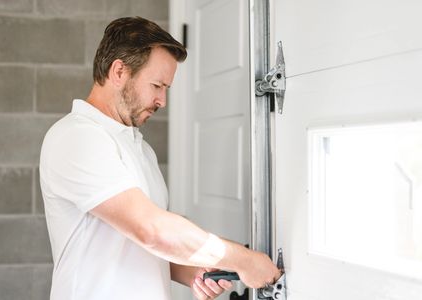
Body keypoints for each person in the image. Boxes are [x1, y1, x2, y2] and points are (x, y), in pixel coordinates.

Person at [39, 16, 281, 300]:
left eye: (166, 88)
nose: (162, 101)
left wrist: (193, 271)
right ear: (119, 72)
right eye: (157, 86)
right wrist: (241, 259)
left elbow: (141, 245)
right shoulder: (77, 137)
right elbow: (152, 230)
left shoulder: (139, 149)